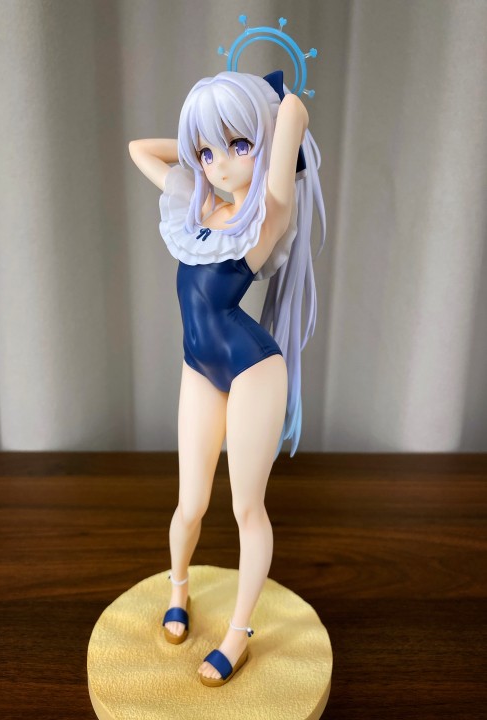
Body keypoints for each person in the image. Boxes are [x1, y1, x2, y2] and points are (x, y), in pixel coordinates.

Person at [129, 69, 326, 686]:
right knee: (190, 504)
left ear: (261, 149)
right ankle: (178, 591)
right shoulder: (199, 206)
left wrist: (272, 122)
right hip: (199, 367)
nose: (217, 163)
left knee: (245, 506)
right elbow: (141, 150)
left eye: (237, 146)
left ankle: (238, 634)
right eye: (208, 152)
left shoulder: (265, 218)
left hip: (251, 368)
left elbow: (293, 117)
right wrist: (204, 141)